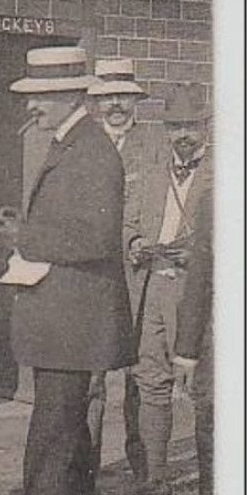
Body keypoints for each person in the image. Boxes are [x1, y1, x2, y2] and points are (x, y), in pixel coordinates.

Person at [0, 46, 135, 495]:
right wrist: (29, 229)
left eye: (37, 99)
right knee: (72, 447)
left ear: (68, 95)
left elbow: (96, 239)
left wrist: (23, 237)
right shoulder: (75, 144)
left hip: (73, 326)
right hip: (69, 322)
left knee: (50, 445)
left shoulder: (92, 151)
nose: (31, 109)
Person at [116, 83, 211, 495]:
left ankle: (216, 492)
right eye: (175, 127)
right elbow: (128, 223)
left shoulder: (223, 174)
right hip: (151, 285)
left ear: (205, 127)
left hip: (197, 294)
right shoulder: (152, 171)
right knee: (149, 377)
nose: (183, 135)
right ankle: (153, 478)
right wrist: (135, 244)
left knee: (205, 387)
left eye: (190, 125)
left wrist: (198, 255)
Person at [83, 58, 155, 468]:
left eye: (123, 97)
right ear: (95, 101)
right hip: (94, 277)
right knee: (93, 375)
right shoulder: (85, 146)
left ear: (135, 102)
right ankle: (87, 468)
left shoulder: (152, 149)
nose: (115, 105)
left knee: (139, 375)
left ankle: (142, 464)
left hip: (136, 275)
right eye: (107, 96)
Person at [172, 183, 212, 495]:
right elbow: (199, 278)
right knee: (211, 417)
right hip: (222, 332)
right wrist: (186, 350)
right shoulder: (215, 198)